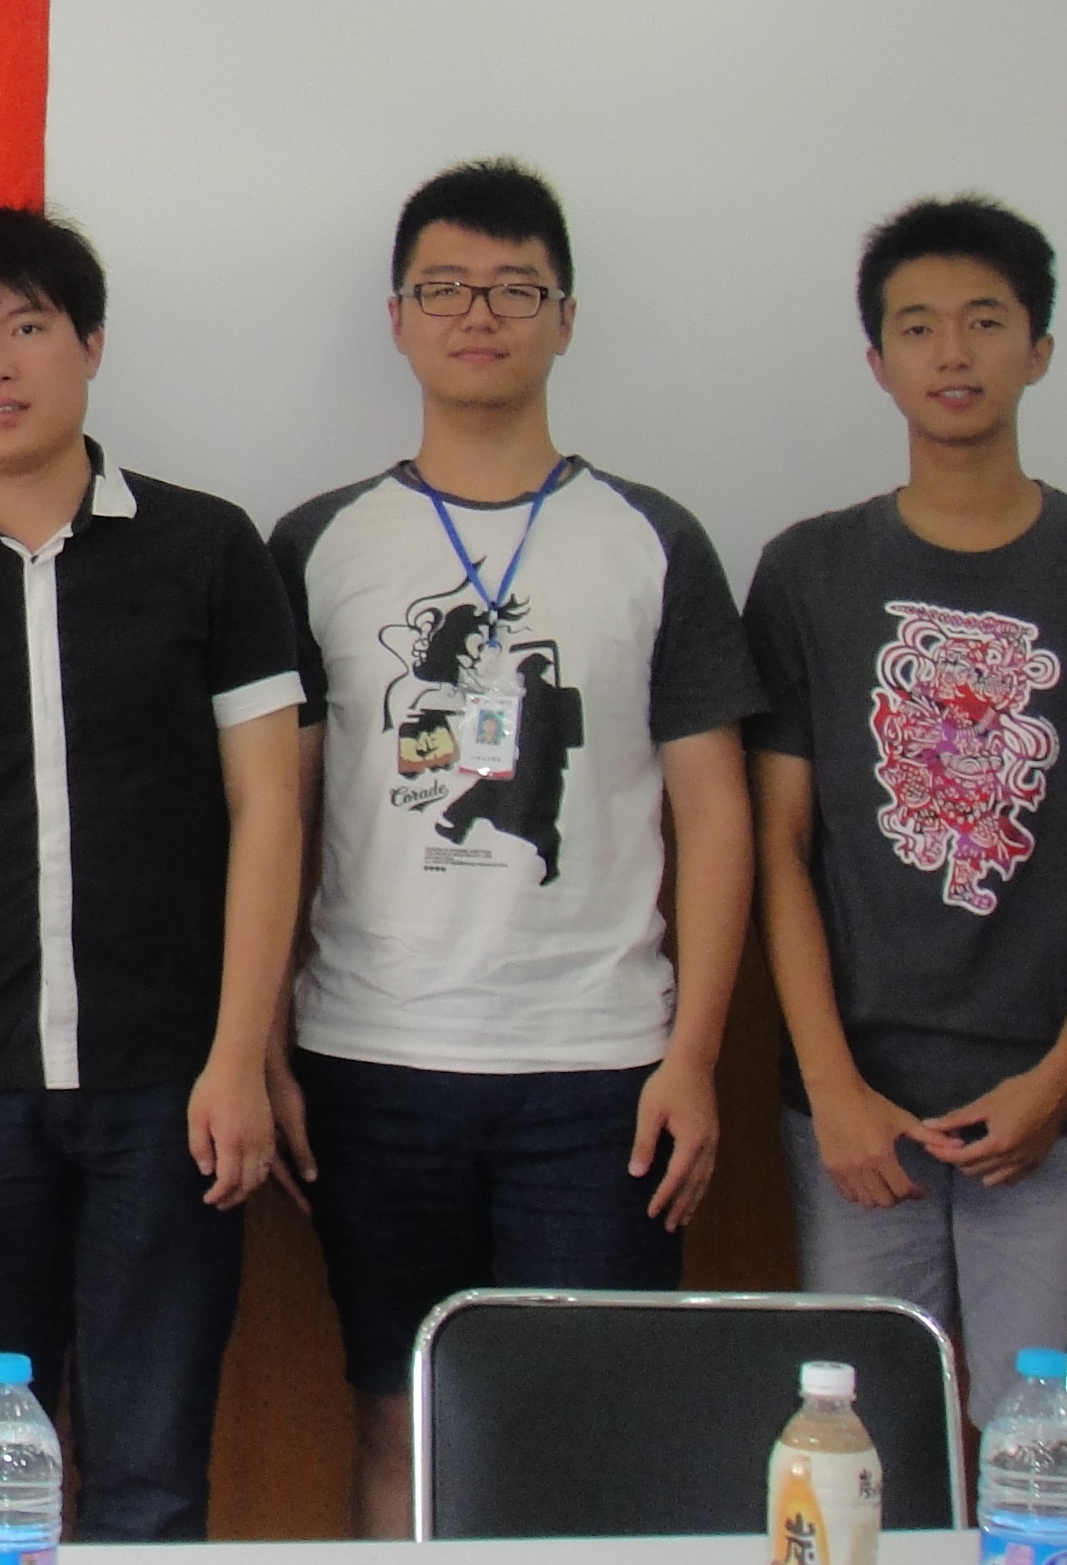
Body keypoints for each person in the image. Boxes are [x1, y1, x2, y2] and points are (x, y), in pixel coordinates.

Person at [268, 161, 760, 1537]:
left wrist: (694, 1058)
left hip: (602, 1073)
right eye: (444, 288)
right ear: (397, 318)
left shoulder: (652, 539)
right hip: (371, 1060)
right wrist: (260, 1046)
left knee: (586, 1432)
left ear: (566, 317)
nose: (476, 315)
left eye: (512, 289)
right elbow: (274, 819)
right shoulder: (315, 543)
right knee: (398, 1415)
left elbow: (716, 814)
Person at [0, 209, 304, 1541]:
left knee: (152, 1474)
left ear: (89, 345)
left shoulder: (207, 549)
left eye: (28, 327)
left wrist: (239, 1058)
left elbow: (270, 806)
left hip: (170, 1087)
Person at [746, 195, 1067, 1425]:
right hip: (858, 1111)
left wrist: (1062, 1079)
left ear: (1041, 347)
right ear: (879, 361)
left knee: (1045, 1447)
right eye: (918, 326)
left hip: (1061, 1110)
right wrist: (833, 1088)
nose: (953, 352)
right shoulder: (809, 571)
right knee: (866, 1443)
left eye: (986, 320)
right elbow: (778, 847)